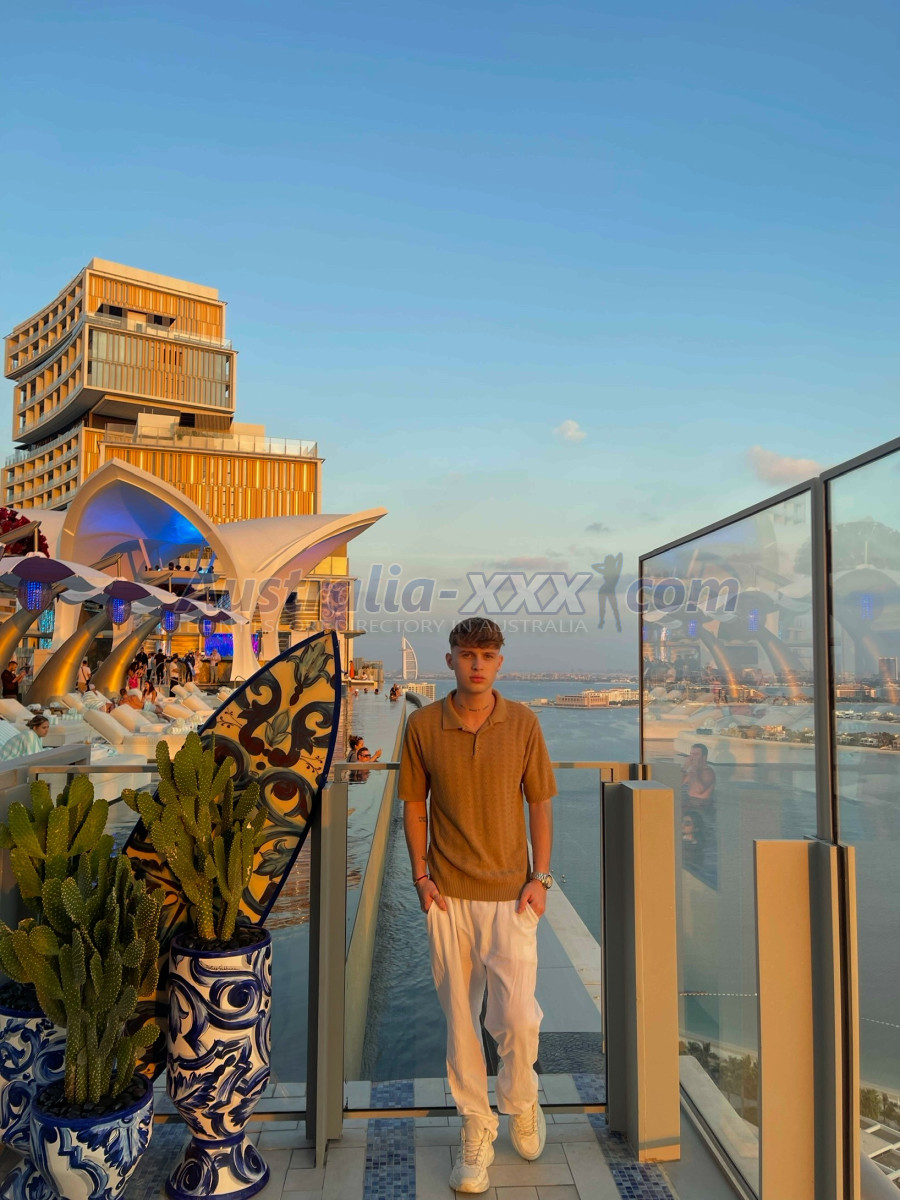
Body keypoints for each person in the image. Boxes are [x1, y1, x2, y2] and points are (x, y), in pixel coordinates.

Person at [399, 618, 556, 1194]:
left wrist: (541, 877)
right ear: (450, 660)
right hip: (448, 897)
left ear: (499, 662)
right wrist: (420, 876)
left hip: (512, 896)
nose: (477, 664)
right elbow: (414, 806)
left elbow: (540, 804)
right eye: (467, 654)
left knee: (517, 1016)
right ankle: (475, 1123)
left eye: (487, 655)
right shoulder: (422, 726)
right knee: (461, 1021)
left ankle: (522, 1098)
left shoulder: (524, 723)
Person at [681, 742, 716, 808]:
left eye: (696, 754)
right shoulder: (693, 771)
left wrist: (694, 767)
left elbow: (699, 790)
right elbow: (678, 783)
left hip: (702, 806)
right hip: (690, 802)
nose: (692, 757)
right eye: (691, 754)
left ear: (704, 757)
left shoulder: (708, 772)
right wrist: (685, 767)